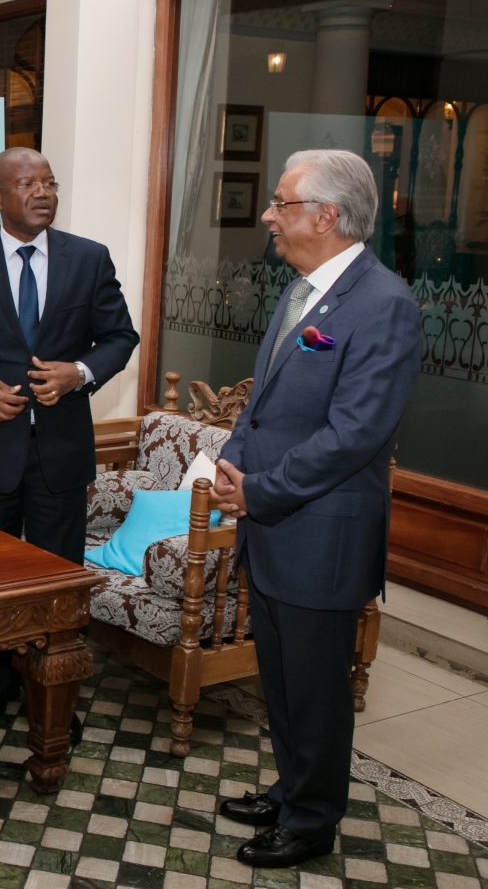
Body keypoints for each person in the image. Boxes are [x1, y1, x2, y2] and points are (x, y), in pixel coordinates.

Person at [211, 149, 421, 868]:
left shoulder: (384, 304)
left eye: (281, 203)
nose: (268, 215)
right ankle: (291, 786)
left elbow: (354, 435)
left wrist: (258, 491)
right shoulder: (300, 290)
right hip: (271, 527)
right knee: (282, 678)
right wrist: (230, 460)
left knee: (317, 688)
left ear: (326, 216)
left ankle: (311, 822)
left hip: (319, 536)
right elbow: (265, 403)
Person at [0, 147, 139, 725]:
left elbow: (120, 336)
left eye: (50, 183)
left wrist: (79, 374)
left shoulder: (89, 259)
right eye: (27, 184)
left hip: (61, 452)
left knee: (56, 575)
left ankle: (55, 688)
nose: (42, 193)